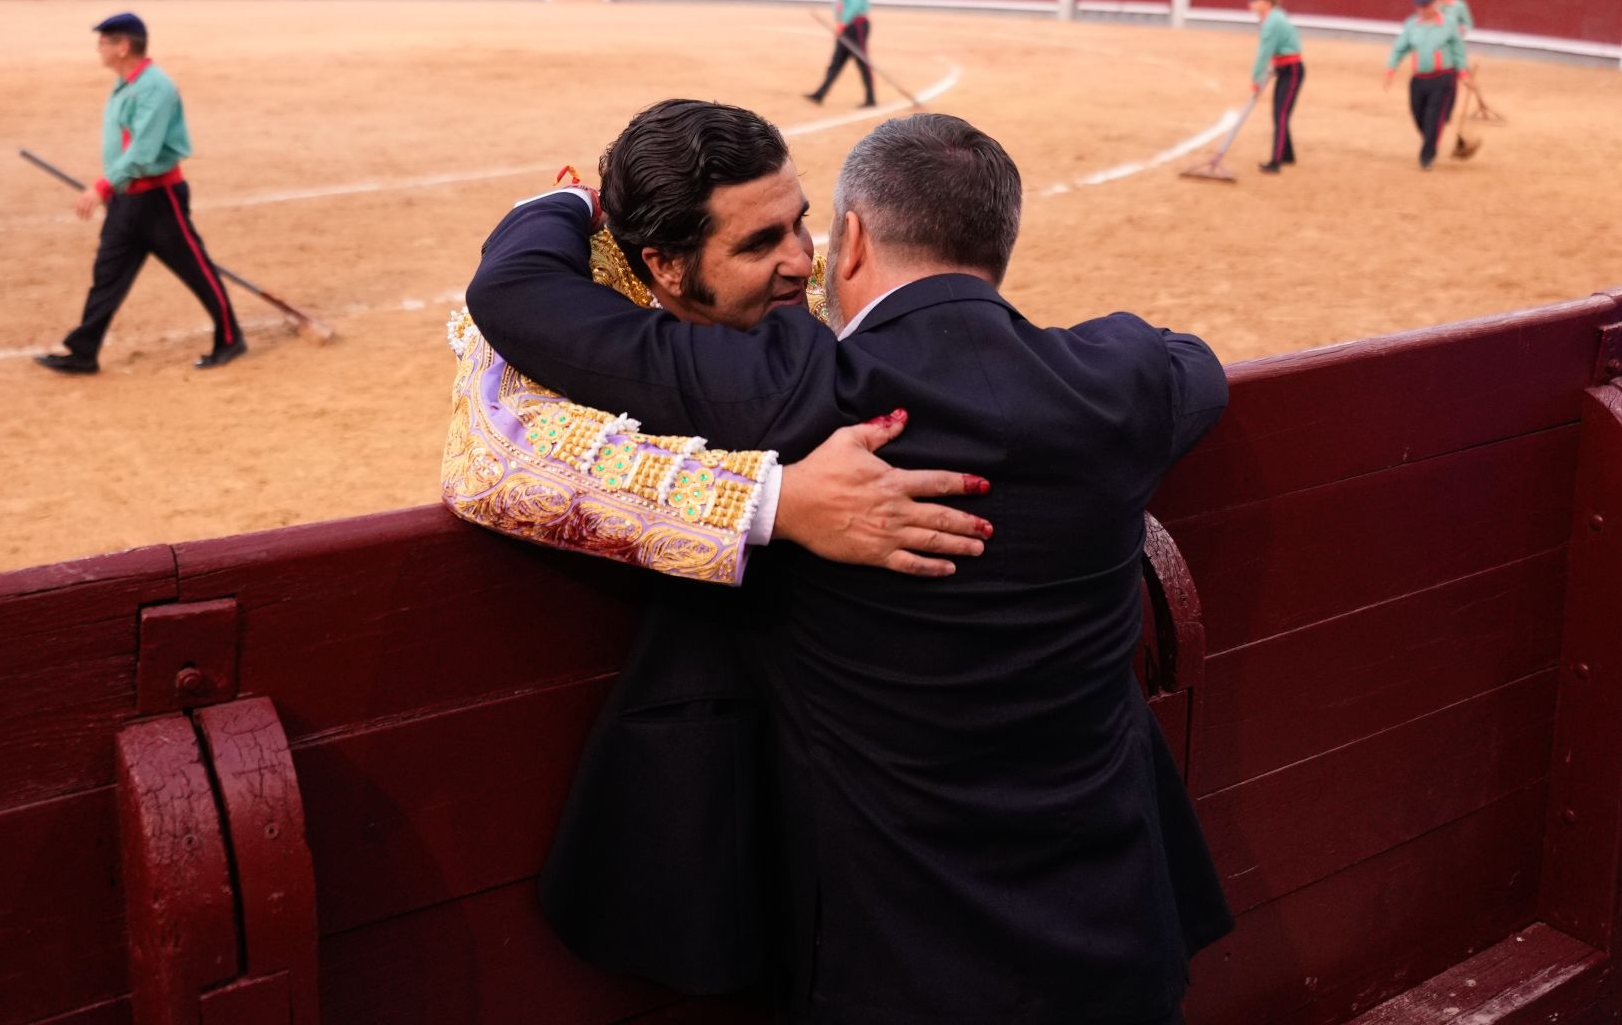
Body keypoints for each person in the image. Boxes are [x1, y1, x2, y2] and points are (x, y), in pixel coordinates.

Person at [466, 111, 1234, 1024]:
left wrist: (570, 201)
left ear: (853, 238)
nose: (802, 259)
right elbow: (1196, 365)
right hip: (1118, 938)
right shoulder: (1125, 381)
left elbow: (514, 293)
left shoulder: (797, 395)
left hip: (904, 968)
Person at [444, 102, 995, 994]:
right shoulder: (561, 321)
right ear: (663, 264)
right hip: (727, 779)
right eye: (760, 242)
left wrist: (555, 206)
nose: (804, 259)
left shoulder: (794, 315)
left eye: (801, 222)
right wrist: (774, 502)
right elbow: (495, 458)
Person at [36, 13, 246, 374]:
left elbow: (144, 151)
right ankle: (83, 351)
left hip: (158, 200)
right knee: (107, 275)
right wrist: (113, 188)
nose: (98, 48)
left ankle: (230, 338)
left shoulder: (155, 87)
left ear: (123, 47)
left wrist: (103, 186)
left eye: (104, 42)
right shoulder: (126, 83)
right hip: (126, 199)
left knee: (196, 270)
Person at [1384, 0, 1479, 170]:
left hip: (1443, 78)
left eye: (1426, 6)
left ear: (1435, 4)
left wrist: (1464, 75)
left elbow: (1458, 52)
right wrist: (1390, 70)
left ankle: (1427, 156)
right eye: (1419, 7)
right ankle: (1432, 138)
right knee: (1418, 115)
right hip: (1419, 79)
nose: (1422, 10)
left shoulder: (1449, 24)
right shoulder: (1412, 24)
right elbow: (1400, 48)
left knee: (1433, 117)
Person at [804, 0, 877, 109]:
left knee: (862, 62)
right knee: (837, 61)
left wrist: (842, 23)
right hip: (848, 25)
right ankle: (820, 93)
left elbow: (855, 5)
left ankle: (871, 98)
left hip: (856, 25)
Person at [1248, 0, 1305, 174]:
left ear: (1265, 2)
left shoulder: (1271, 21)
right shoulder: (1275, 16)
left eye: (1254, 1)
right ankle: (1287, 155)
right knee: (1280, 113)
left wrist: (1256, 78)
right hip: (1286, 68)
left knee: (1280, 114)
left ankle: (1276, 161)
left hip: (1291, 70)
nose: (1251, 5)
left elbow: (1264, 52)